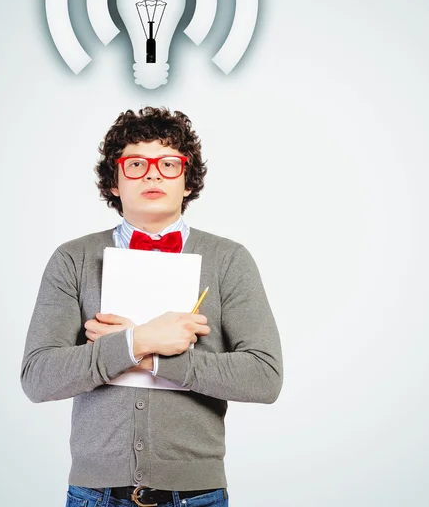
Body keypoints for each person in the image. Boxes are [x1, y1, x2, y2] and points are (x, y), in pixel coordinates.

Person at [20, 106, 283, 507]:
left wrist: (149, 358)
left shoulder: (229, 259)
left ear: (188, 180)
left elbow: (265, 376)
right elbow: (38, 377)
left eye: (169, 163)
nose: (153, 173)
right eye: (136, 163)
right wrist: (138, 339)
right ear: (113, 182)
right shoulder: (73, 258)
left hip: (198, 495)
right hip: (95, 494)